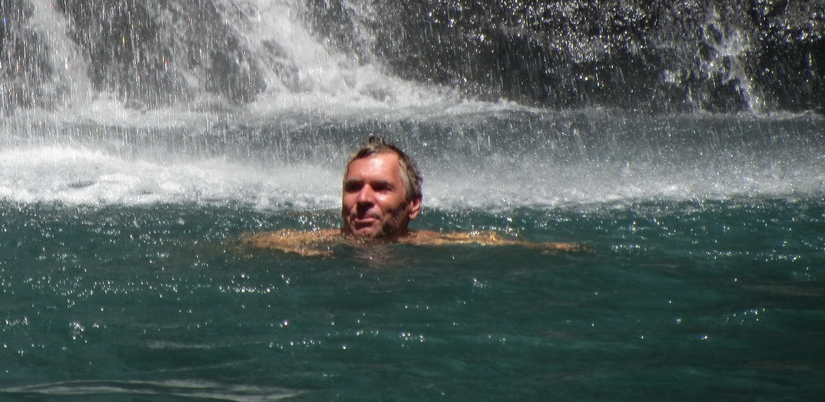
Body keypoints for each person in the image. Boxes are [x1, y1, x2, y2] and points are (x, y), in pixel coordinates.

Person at [242, 137, 585, 256]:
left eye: (381, 187)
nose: (362, 198)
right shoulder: (307, 244)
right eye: (353, 187)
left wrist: (550, 249)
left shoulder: (435, 245)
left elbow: (496, 244)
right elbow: (249, 246)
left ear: (414, 204)